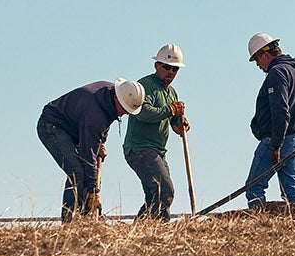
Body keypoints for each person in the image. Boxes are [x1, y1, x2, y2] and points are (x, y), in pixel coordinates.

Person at [38, 78, 145, 221]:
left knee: (86, 174)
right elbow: (87, 156)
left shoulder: (111, 93)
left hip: (75, 127)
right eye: (125, 109)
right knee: (77, 172)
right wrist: (94, 191)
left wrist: (101, 141)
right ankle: (69, 224)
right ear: (117, 98)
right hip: (51, 126)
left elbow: (107, 120)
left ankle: (84, 218)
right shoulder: (94, 116)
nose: (125, 113)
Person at [124, 44, 190, 220]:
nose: (170, 72)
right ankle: (150, 228)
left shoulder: (171, 92)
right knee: (164, 190)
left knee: (155, 196)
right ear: (157, 66)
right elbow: (143, 114)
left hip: (158, 151)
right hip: (140, 148)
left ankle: (151, 231)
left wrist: (180, 124)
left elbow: (173, 121)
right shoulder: (145, 86)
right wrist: (169, 110)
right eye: (167, 67)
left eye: (175, 69)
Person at [245, 33, 295, 207]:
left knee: (254, 187)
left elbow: (281, 111)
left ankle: (258, 227)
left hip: (278, 139)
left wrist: (275, 145)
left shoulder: (276, 73)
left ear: (264, 54)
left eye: (257, 60)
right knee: (291, 191)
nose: (258, 65)